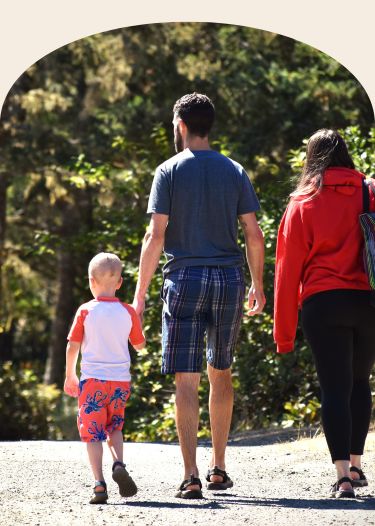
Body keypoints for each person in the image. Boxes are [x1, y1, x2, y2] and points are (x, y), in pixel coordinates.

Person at [132, 92, 265, 499]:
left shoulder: (167, 171)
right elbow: (253, 233)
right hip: (228, 280)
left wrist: (139, 296)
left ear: (182, 126)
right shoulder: (234, 170)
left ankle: (190, 475)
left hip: (184, 279)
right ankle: (219, 467)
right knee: (220, 372)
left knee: (185, 380)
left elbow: (156, 235)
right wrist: (259, 284)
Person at [274, 129, 375, 498]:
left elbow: (287, 272)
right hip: (368, 301)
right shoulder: (370, 191)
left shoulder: (302, 202)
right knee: (359, 383)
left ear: (310, 158)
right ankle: (358, 465)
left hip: (323, 303)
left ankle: (343, 477)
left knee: (334, 388)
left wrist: (283, 335)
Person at [64, 252, 146, 504]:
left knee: (93, 434)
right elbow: (140, 346)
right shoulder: (128, 312)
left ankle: (99, 484)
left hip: (92, 381)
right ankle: (119, 463)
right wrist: (136, 322)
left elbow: (72, 346)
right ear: (120, 282)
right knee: (115, 427)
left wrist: (70, 375)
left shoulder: (85, 311)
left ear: (91, 281)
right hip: (120, 382)